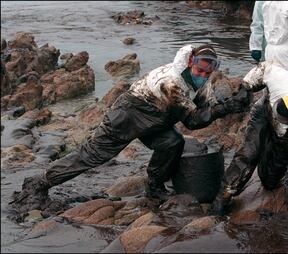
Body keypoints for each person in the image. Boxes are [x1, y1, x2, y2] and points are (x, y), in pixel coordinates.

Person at [10, 44, 252, 212]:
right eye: (199, 70)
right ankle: (41, 181)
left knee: (172, 142)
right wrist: (228, 108)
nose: (203, 75)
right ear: (190, 63)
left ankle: (154, 187)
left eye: (208, 72)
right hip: (129, 114)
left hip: (157, 120)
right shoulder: (171, 81)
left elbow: (199, 113)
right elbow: (194, 119)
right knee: (93, 155)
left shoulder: (201, 83)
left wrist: (230, 101)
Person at [209, 60, 288, 215]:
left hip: (287, 135)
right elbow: (264, 68)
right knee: (248, 154)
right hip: (264, 111)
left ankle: (267, 164)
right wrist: (246, 86)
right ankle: (223, 196)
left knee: (269, 180)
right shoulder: (281, 80)